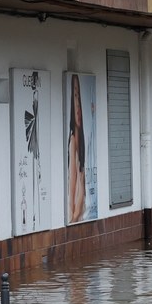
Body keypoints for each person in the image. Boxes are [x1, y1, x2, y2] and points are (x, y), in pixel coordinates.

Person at [67, 74, 87, 223]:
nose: (78, 107)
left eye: (79, 97)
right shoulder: (72, 142)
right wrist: (74, 218)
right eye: (75, 96)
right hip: (76, 217)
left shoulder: (82, 143)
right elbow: (73, 192)